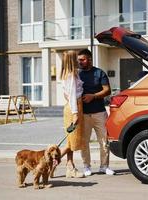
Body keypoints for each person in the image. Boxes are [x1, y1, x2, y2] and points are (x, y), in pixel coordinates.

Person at [77, 49, 115, 176]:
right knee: (84, 142)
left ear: (89, 59)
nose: (80, 62)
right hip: (83, 114)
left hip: (99, 113)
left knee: (104, 141)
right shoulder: (77, 74)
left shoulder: (99, 73)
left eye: (82, 59)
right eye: (79, 60)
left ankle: (104, 166)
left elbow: (107, 90)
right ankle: (86, 166)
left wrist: (93, 96)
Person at [59, 50, 85, 178]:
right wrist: (75, 114)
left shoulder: (69, 74)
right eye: (76, 58)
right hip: (74, 109)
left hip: (74, 107)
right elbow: (72, 96)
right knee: (71, 143)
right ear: (71, 60)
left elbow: (67, 94)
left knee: (72, 142)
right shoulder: (71, 76)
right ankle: (51, 162)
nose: (78, 60)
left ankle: (70, 168)